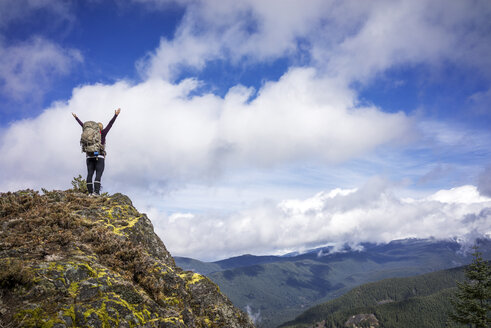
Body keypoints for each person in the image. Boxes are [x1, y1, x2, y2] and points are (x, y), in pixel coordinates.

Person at [72, 108, 121, 195]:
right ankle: (96, 193)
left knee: (89, 174)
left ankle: (90, 193)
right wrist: (116, 115)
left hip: (89, 156)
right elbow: (110, 124)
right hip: (99, 156)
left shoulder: (90, 134)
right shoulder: (103, 133)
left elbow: (82, 125)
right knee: (98, 174)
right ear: (101, 128)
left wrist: (76, 118)